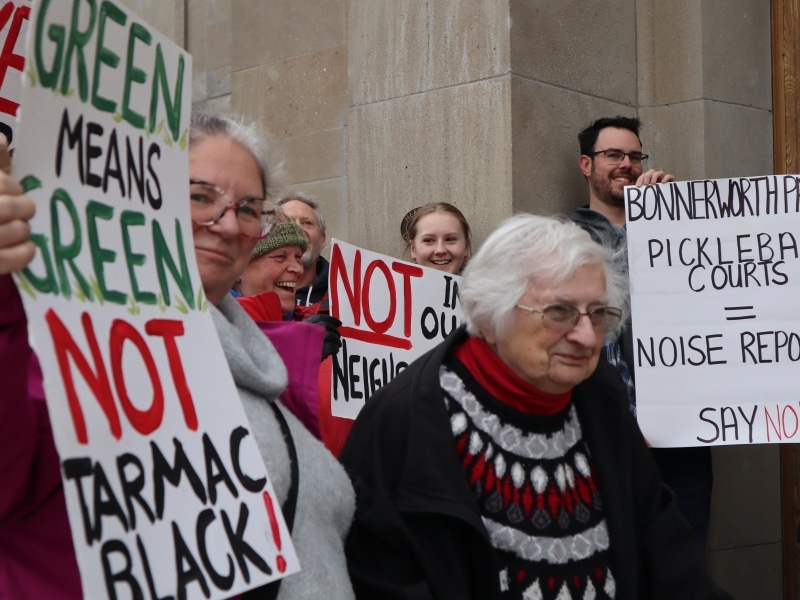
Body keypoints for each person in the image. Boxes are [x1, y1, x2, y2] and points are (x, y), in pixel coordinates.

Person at [1, 112, 356, 599]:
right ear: (140, 200)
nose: (228, 223)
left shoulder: (273, 373)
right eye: (199, 197)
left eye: (249, 207)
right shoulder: (59, 346)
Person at [340, 214, 730, 600]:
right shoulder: (403, 424)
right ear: (486, 315)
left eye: (597, 314)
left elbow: (665, 553)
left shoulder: (600, 398)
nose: (585, 336)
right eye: (558, 312)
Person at [569, 115, 714, 541]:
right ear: (586, 164)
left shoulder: (681, 227)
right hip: (597, 436)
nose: (626, 164)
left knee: (682, 556)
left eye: (634, 155)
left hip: (680, 435)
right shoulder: (561, 239)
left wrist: (674, 217)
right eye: (613, 154)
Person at [232, 216, 343, 441]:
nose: (297, 269)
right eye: (280, 257)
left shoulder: (316, 328)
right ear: (238, 269)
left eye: (298, 257)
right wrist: (293, 355)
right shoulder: (216, 332)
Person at [277, 192, 329, 315]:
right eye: (288, 222)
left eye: (307, 223)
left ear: (322, 239)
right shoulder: (249, 290)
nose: (298, 229)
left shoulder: (346, 296)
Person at [401, 202, 472, 274]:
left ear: (466, 247)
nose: (440, 250)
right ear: (413, 249)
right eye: (429, 240)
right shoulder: (398, 284)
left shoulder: (480, 285)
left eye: (450, 239)